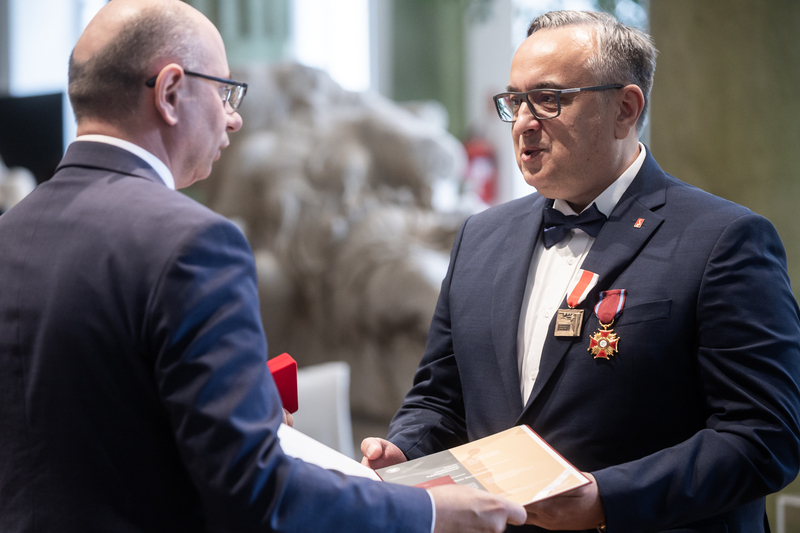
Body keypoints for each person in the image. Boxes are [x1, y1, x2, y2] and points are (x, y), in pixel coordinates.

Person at [0, 1, 527, 532]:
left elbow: (78, 426)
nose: (235, 117)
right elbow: (256, 494)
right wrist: (431, 511)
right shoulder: (192, 243)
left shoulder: (10, 232)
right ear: (170, 92)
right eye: (225, 91)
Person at [362, 10, 800, 533]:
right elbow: (439, 397)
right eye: (515, 102)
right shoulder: (480, 236)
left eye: (549, 99)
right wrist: (404, 449)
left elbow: (764, 435)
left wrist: (605, 499)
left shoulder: (722, 240)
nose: (524, 121)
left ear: (625, 108)